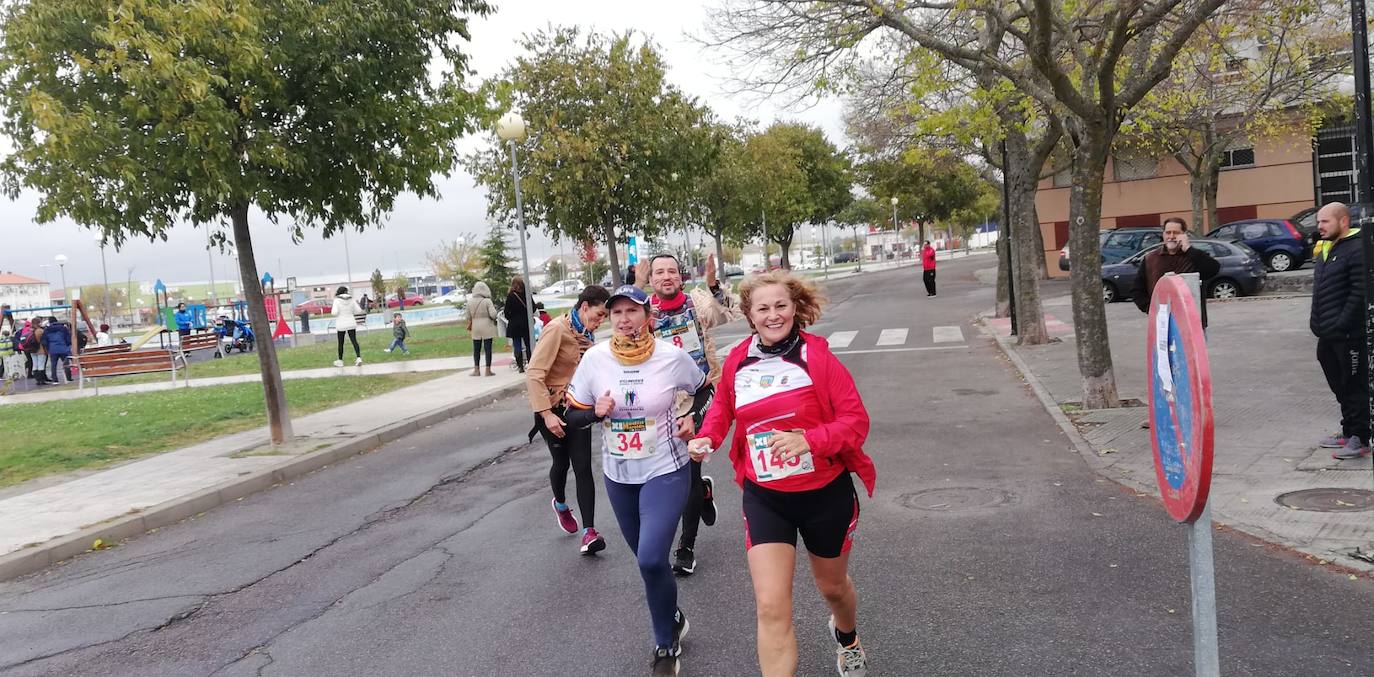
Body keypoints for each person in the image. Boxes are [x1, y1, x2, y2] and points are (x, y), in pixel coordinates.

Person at [688, 270, 877, 677]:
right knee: (771, 605)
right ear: (749, 315)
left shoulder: (818, 357)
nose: (773, 315)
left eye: (781, 306)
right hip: (766, 496)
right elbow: (723, 409)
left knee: (833, 588)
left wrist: (810, 440)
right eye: (763, 308)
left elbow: (855, 422)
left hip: (824, 494)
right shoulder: (739, 358)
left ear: (794, 308)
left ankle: (847, 636)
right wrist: (707, 438)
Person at [564, 285, 711, 676]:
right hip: (619, 475)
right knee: (649, 563)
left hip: (666, 467)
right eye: (617, 313)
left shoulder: (671, 357)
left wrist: (692, 418)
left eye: (632, 311)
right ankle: (673, 617)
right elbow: (572, 417)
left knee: (649, 558)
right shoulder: (595, 360)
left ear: (648, 316)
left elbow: (704, 390)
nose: (624, 319)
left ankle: (665, 645)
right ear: (609, 318)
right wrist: (595, 412)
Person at [635, 252, 742, 576]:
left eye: (672, 271)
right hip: (663, 401)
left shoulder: (697, 304)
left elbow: (732, 311)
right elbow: (621, 329)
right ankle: (703, 494)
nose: (666, 277)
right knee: (668, 473)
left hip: (702, 392)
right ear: (652, 280)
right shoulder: (645, 314)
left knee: (690, 471)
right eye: (659, 273)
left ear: (680, 277)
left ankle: (686, 547)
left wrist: (712, 283)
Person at [526, 285, 611, 555]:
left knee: (583, 466)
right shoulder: (557, 331)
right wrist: (547, 414)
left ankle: (589, 532)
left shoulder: (586, 332)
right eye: (598, 315)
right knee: (561, 465)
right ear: (584, 307)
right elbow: (534, 374)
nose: (600, 321)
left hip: (577, 408)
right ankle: (560, 504)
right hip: (551, 409)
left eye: (603, 318)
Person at [1309, 203, 1370, 459]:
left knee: (1354, 384)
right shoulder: (1327, 247)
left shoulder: (1357, 248)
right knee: (1339, 385)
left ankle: (1361, 437)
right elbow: (1321, 290)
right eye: (1319, 222)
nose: (1319, 227)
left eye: (1325, 222)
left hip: (1348, 335)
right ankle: (1348, 430)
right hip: (1327, 334)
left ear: (1343, 221)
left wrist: (1342, 323)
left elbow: (1359, 291)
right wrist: (1316, 321)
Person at [1132, 217, 1220, 326]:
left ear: (1184, 234)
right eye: (1168, 232)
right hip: (1163, 325)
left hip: (1192, 324)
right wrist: (1151, 309)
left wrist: (1188, 248)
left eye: (1176, 233)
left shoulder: (1194, 256)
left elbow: (1213, 269)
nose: (1171, 236)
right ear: (1163, 234)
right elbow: (1137, 290)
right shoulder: (1151, 259)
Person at [467, 281, 499, 377]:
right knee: (487, 349)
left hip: (475, 327)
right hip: (487, 327)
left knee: (476, 349)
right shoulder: (487, 301)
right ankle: (487, 370)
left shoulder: (470, 301)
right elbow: (493, 314)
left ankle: (476, 370)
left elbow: (467, 316)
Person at [330, 286, 364, 367]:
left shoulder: (337, 300)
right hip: (351, 322)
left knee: (341, 343)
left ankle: (340, 360)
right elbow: (358, 310)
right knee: (354, 341)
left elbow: (334, 312)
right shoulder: (351, 299)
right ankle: (358, 357)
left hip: (341, 323)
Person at [504, 276, 533, 373]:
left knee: (517, 345)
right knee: (528, 344)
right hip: (526, 323)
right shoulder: (527, 294)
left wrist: (511, 316)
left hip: (514, 324)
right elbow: (533, 308)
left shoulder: (510, 296)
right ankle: (531, 363)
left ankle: (520, 366)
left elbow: (506, 312)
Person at [42, 315, 73, 384]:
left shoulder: (47, 329)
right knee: (66, 364)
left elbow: (44, 341)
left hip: (52, 349)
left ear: (49, 322)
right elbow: (68, 338)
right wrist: (67, 345)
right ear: (56, 320)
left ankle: (55, 379)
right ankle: (69, 378)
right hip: (63, 348)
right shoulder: (63, 328)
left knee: (53, 365)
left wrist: (48, 348)